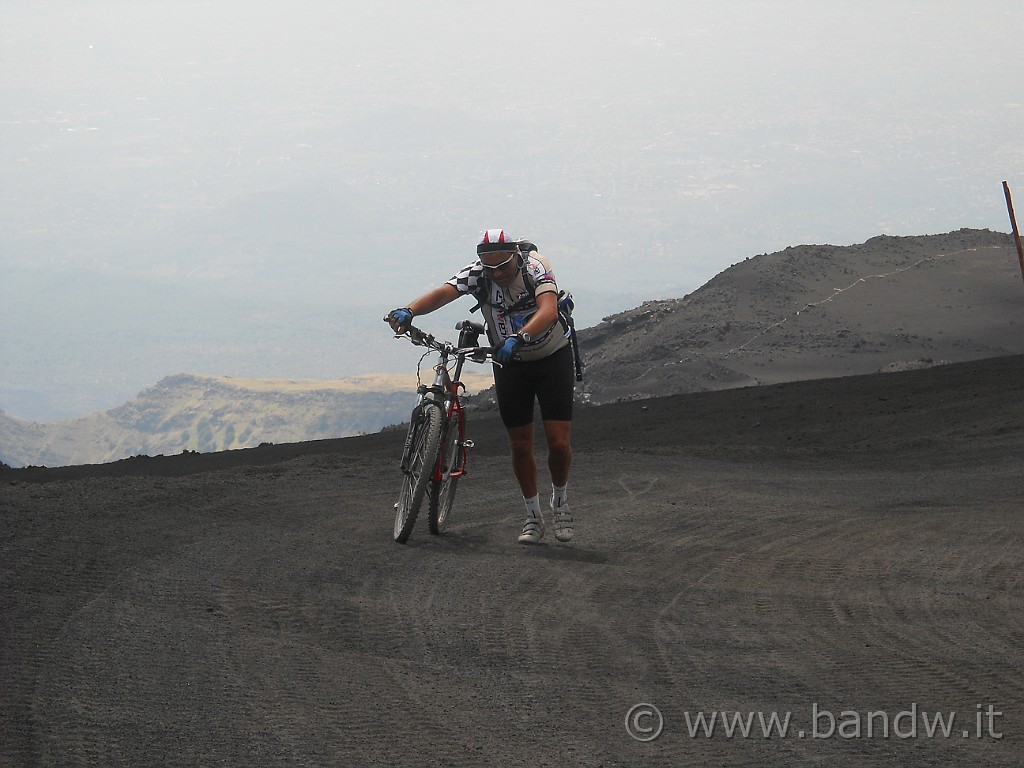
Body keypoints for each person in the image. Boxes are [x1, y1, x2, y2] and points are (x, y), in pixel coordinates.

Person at [387, 229, 575, 544]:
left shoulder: (535, 267)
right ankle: (533, 516)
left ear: (516, 256)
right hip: (510, 364)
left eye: (504, 267)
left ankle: (561, 501)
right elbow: (444, 293)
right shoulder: (479, 275)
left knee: (558, 443)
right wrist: (410, 310)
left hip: (550, 357)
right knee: (519, 443)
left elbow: (548, 310)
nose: (499, 274)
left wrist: (520, 336)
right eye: (491, 269)